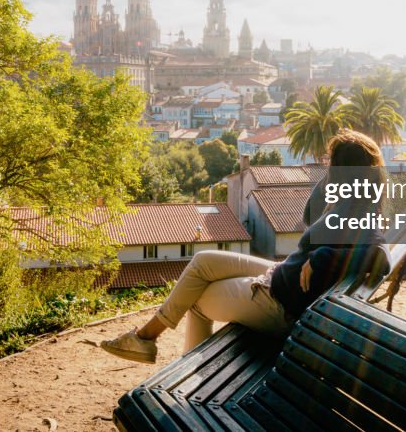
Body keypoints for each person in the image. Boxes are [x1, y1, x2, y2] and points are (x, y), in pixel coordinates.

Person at [100, 129, 387, 363]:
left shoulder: (355, 209)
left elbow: (380, 256)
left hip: (279, 304)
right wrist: (331, 180)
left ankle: (181, 370)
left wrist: (326, 256)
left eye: (331, 163)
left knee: (196, 299)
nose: (327, 167)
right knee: (203, 262)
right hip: (282, 276)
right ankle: (145, 339)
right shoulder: (356, 201)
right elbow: (308, 216)